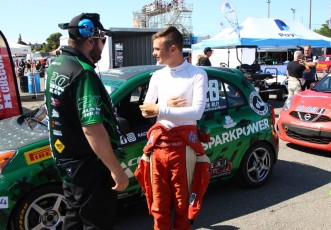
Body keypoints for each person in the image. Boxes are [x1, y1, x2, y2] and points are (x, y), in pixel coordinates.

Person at [45, 13, 129, 229]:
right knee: (96, 221)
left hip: (67, 160)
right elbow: (92, 128)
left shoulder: (58, 64)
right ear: (90, 39)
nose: (103, 46)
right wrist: (116, 170)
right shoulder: (83, 73)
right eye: (102, 40)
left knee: (74, 216)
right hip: (88, 164)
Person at [136, 26, 211, 230]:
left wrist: (161, 108)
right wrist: (166, 106)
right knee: (157, 204)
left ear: (173, 49)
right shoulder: (157, 76)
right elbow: (145, 110)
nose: (154, 53)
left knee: (182, 205)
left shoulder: (197, 74)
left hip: (183, 147)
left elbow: (196, 112)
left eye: (157, 49)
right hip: (158, 148)